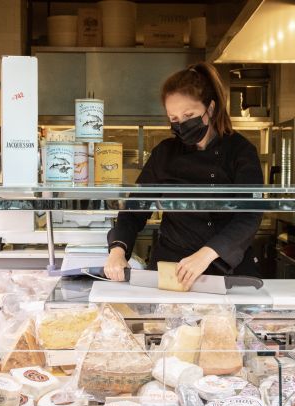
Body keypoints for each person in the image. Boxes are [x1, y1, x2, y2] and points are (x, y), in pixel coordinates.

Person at [103, 62, 264, 290]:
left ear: (210, 108)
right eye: (175, 119)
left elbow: (250, 215)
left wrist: (206, 254)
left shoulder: (240, 151)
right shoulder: (165, 153)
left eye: (189, 115)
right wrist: (118, 251)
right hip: (172, 270)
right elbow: (134, 210)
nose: (182, 124)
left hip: (226, 270)